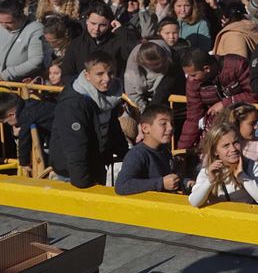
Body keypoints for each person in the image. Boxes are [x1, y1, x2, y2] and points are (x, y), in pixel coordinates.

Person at [49, 57, 134, 188]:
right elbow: (75, 145)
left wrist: (126, 155)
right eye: (99, 74)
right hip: (72, 173)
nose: (106, 79)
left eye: (111, 73)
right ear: (87, 75)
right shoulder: (73, 104)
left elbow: (113, 126)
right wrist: (82, 182)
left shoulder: (110, 95)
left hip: (96, 164)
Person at [188, 121, 258, 207]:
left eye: (236, 143)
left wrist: (242, 176)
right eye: (226, 146)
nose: (233, 149)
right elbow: (194, 202)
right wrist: (210, 181)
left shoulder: (251, 166)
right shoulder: (209, 171)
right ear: (215, 151)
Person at [115, 104, 181, 195]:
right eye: (163, 124)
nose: (170, 128)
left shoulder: (164, 150)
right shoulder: (137, 154)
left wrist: (184, 182)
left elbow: (169, 178)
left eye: (172, 123)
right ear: (145, 128)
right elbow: (122, 185)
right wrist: (160, 183)